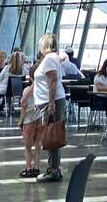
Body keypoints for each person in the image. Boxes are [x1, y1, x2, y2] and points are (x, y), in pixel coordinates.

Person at [34, 33, 66, 182]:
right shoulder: (53, 58)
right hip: (51, 102)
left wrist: (51, 102)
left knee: (52, 136)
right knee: (52, 135)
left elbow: (53, 81)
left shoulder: (49, 59)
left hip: (52, 103)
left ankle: (53, 170)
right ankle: (54, 168)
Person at [19, 62, 43, 178]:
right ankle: (36, 168)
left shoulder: (27, 91)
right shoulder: (43, 90)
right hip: (40, 118)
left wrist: (21, 121)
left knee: (28, 146)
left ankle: (28, 169)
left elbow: (24, 106)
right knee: (38, 144)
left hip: (29, 119)